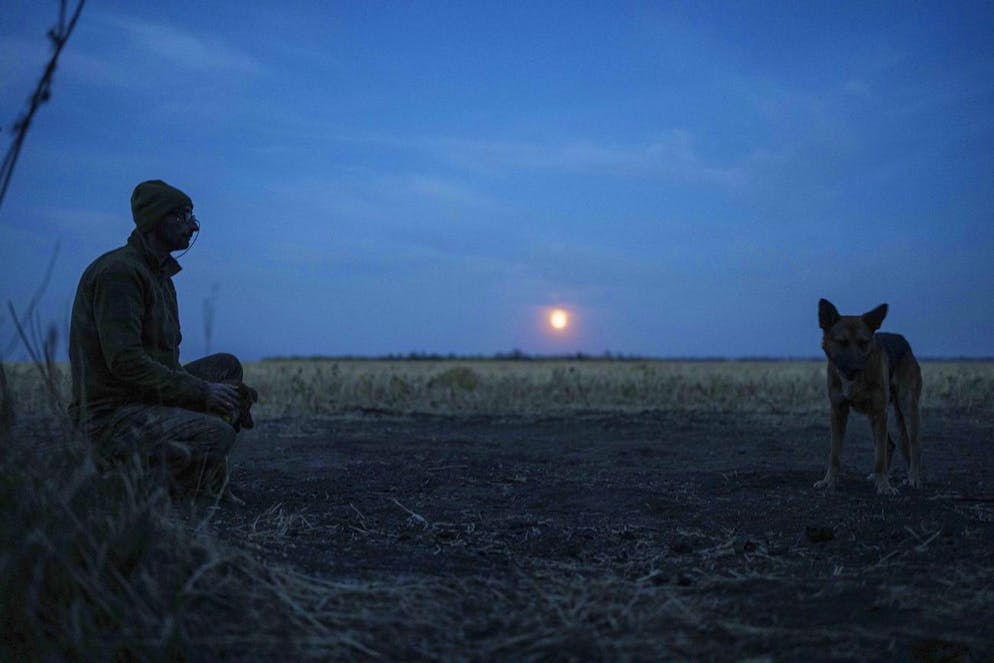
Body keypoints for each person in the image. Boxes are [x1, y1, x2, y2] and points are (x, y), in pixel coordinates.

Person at [68, 179, 256, 501]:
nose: (193, 226)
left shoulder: (160, 276)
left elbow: (165, 361)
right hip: (111, 416)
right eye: (182, 216)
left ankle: (197, 475)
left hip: (143, 398)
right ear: (156, 219)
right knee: (217, 434)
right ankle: (125, 481)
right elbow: (125, 363)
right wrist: (202, 393)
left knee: (226, 367)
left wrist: (219, 395)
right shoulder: (119, 274)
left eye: (192, 216)